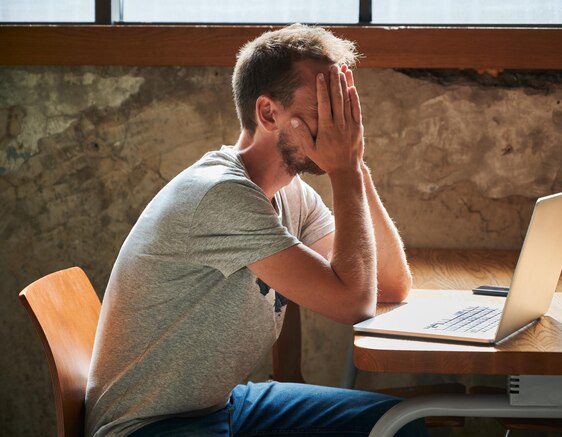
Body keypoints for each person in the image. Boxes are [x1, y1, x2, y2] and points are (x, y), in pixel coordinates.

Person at [85, 24, 426, 437]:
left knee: (398, 426)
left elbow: (389, 285)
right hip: (151, 426)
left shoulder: (291, 194)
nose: (339, 124)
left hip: (222, 406)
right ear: (268, 113)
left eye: (344, 108)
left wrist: (356, 163)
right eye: (324, 106)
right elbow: (354, 304)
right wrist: (345, 169)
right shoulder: (221, 194)